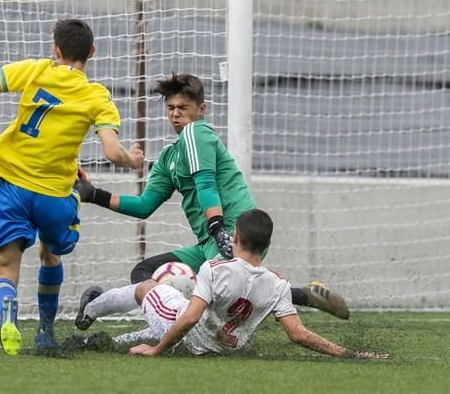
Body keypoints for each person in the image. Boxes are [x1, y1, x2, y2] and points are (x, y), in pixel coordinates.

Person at [0, 19, 144, 355]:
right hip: (55, 196)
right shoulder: (97, 96)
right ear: (92, 52)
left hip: (13, 188)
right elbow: (112, 153)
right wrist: (133, 159)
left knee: (7, 266)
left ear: (56, 50)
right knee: (50, 256)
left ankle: (8, 313)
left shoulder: (36, 70)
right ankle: (45, 331)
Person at [73, 73, 349, 331]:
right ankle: (95, 308)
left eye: (183, 106)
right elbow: (145, 205)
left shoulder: (198, 133)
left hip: (235, 234)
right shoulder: (169, 157)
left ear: (201, 110)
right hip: (209, 242)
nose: (176, 113)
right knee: (144, 271)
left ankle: (171, 326)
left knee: (216, 298)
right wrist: (93, 194)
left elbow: (207, 184)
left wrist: (219, 230)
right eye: (171, 108)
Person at [126, 209, 387, 359]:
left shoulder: (213, 268)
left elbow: (191, 318)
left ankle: (91, 308)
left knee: (145, 286)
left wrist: (157, 350)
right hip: (230, 349)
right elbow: (298, 334)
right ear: (268, 245)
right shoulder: (279, 284)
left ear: (235, 236)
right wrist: (349, 353)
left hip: (193, 341)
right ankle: (105, 340)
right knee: (146, 330)